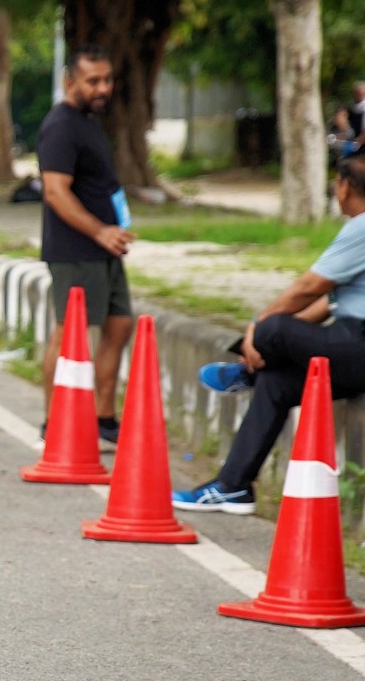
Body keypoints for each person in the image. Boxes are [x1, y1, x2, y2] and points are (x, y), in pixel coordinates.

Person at [174, 155, 365, 513]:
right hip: (351, 345)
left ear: (343, 187)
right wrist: (262, 337)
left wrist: (257, 328)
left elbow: (309, 287)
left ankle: (245, 372)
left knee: (274, 326)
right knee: (275, 383)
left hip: (357, 345)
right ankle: (233, 487)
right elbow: (327, 303)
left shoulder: (362, 227)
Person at [36, 46, 135, 444]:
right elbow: (55, 192)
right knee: (69, 334)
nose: (103, 88)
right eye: (93, 81)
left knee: (119, 325)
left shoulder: (88, 122)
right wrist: (100, 231)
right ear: (70, 82)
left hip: (105, 250)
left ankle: (103, 418)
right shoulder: (61, 125)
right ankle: (53, 423)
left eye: (107, 79)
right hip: (76, 251)